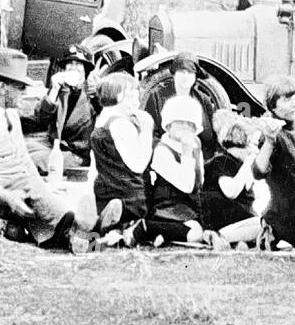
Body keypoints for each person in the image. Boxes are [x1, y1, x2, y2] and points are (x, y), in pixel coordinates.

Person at [0, 49, 95, 252]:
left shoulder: (10, 115)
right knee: (28, 220)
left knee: (64, 219)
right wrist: (4, 196)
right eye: (20, 87)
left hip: (17, 192)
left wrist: (45, 195)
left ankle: (92, 239)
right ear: (2, 87)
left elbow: (24, 164)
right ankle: (69, 236)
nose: (24, 93)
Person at [132, 95, 207, 247]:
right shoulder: (162, 150)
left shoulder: (196, 143)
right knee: (195, 234)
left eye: (190, 124)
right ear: (168, 126)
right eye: (179, 123)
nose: (185, 128)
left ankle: (162, 236)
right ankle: (146, 228)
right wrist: (186, 154)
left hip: (190, 207)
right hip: (168, 209)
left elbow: (200, 180)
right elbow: (186, 185)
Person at [90, 72, 152, 239]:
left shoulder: (101, 120)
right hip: (131, 196)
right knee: (153, 211)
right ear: (118, 94)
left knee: (107, 234)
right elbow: (138, 165)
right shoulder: (122, 124)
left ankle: (94, 239)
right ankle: (123, 220)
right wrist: (147, 132)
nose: (136, 100)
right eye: (131, 94)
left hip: (104, 192)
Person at [252, 75, 295, 249]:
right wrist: (269, 141)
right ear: (273, 106)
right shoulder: (274, 132)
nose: (294, 104)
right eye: (286, 99)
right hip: (286, 214)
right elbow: (258, 171)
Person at [136, 47, 217, 161]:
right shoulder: (156, 96)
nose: (185, 76)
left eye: (190, 72)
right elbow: (149, 132)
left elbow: (210, 139)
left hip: (196, 156)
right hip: (165, 156)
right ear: (173, 74)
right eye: (181, 72)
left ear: (195, 77)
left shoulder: (203, 100)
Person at [25, 45, 95, 171]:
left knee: (34, 161)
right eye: (70, 64)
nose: (73, 68)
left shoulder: (92, 94)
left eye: (78, 64)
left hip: (77, 153)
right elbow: (41, 118)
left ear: (86, 70)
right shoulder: (61, 90)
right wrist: (55, 89)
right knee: (20, 148)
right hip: (54, 145)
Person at [200, 114, 264, 247]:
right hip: (221, 218)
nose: (257, 150)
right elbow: (231, 191)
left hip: (237, 219)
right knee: (262, 225)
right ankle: (219, 237)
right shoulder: (222, 160)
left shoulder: (240, 164)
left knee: (266, 223)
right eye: (254, 144)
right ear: (241, 141)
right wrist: (249, 161)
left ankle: (236, 241)